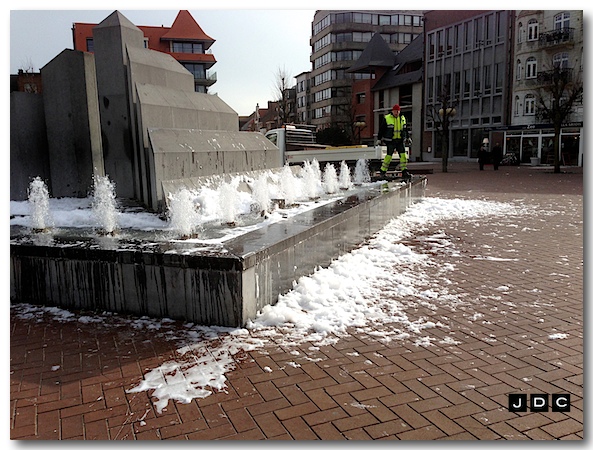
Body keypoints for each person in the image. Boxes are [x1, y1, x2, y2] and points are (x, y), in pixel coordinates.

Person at [376, 104, 410, 180]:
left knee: (403, 156)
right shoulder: (387, 118)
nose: (396, 113)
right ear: (392, 111)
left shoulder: (402, 118)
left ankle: (404, 171)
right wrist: (379, 138)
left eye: (397, 111)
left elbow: (405, 129)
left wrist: (407, 137)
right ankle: (383, 171)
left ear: (399, 111)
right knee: (389, 156)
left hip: (400, 140)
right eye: (395, 111)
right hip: (391, 141)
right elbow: (382, 129)